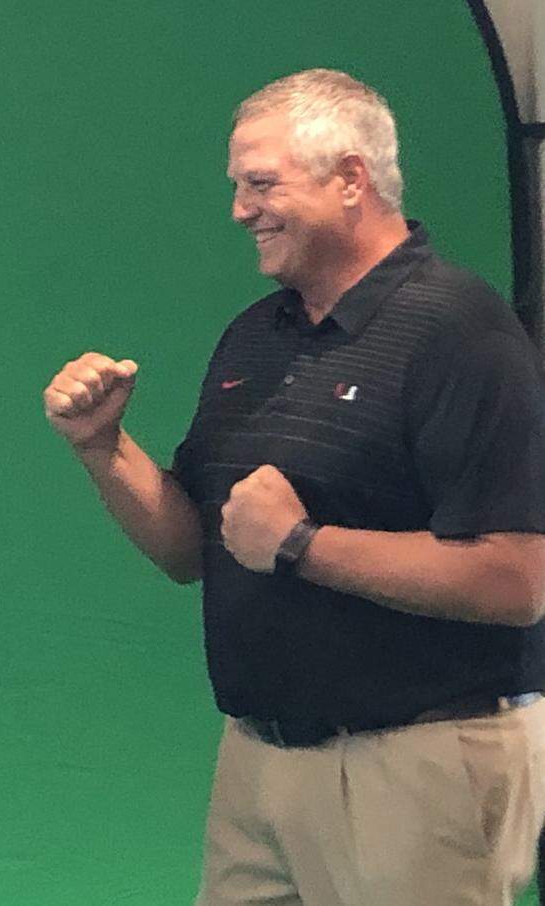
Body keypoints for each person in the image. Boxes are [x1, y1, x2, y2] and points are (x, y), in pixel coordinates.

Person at [43, 69, 545, 904]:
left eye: (261, 182)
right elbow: (196, 550)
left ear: (350, 180)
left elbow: (519, 579)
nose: (241, 208)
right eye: (238, 186)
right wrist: (104, 449)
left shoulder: (461, 332)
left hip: (420, 767)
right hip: (258, 764)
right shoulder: (254, 337)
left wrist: (304, 547)